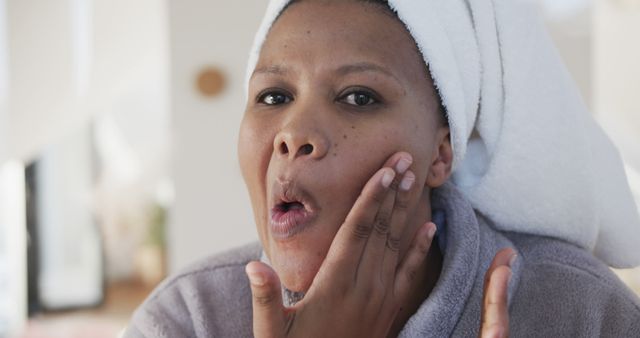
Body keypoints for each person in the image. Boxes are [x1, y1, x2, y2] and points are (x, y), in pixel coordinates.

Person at [124, 0, 640, 337]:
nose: (292, 133)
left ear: (441, 153)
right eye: (274, 95)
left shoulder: (581, 312)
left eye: (358, 97)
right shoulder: (187, 320)